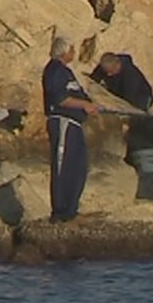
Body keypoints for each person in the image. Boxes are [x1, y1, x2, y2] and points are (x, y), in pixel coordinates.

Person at [42, 36, 98, 223]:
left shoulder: (65, 72)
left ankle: (71, 209)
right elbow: (61, 99)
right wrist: (84, 105)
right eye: (72, 49)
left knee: (78, 166)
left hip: (74, 124)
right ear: (64, 51)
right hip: (63, 122)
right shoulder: (55, 70)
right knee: (63, 166)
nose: (74, 53)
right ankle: (61, 211)